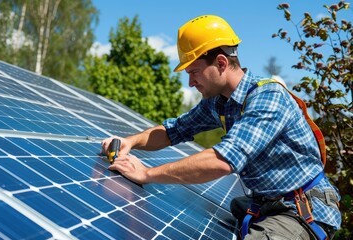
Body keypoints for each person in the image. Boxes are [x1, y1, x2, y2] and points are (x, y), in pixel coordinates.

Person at [101, 15, 341, 239]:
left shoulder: (268, 97)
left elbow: (222, 161)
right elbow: (173, 131)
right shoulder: (218, 102)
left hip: (302, 209)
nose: (190, 81)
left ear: (221, 63)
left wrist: (146, 174)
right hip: (267, 201)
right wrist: (129, 142)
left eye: (194, 71)